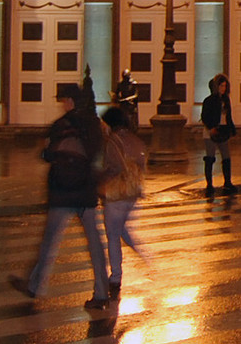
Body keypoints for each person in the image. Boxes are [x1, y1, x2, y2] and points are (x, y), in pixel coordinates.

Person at [9, 83, 112, 311]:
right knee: (95, 243)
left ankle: (35, 286)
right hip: (85, 192)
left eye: (63, 99)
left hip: (62, 192)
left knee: (49, 241)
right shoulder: (95, 125)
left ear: (70, 101)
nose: (62, 104)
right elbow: (99, 155)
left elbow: (47, 154)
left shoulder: (59, 125)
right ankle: (102, 293)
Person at [97, 105, 147, 297]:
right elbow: (142, 163)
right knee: (122, 229)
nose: (103, 127)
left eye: (104, 123)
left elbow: (114, 166)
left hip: (117, 194)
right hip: (133, 193)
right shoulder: (135, 140)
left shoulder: (112, 142)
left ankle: (115, 276)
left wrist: (100, 181)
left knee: (113, 235)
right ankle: (141, 252)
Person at [199, 73, 236, 197]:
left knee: (226, 156)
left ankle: (228, 182)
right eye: (221, 86)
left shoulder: (226, 100)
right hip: (211, 131)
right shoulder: (209, 100)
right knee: (210, 157)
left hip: (223, 130)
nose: (223, 88)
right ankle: (209, 184)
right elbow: (204, 116)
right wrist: (211, 127)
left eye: (225, 86)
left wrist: (231, 129)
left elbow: (228, 116)